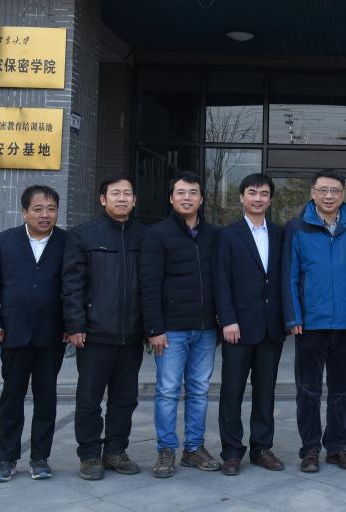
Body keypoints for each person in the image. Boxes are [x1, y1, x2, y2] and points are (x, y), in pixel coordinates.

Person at [0, 185, 67, 482]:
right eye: (38, 209)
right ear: (24, 212)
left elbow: (74, 286)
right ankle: (6, 459)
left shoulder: (67, 242)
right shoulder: (3, 241)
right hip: (13, 333)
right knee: (12, 398)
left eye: (51, 209)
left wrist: (71, 325)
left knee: (46, 398)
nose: (45, 215)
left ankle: (40, 458)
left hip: (52, 334)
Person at [62, 176, 146, 480]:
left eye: (127, 194)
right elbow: (72, 284)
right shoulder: (83, 235)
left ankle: (115, 451)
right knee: (89, 398)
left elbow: (151, 285)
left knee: (125, 399)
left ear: (134, 200)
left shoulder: (144, 236)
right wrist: (75, 324)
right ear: (103, 199)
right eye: (115, 193)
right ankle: (89, 455)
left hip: (132, 334)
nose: (121, 198)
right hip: (95, 334)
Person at [282, 169, 346, 473]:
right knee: (308, 391)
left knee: (342, 390)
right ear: (312, 193)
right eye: (323, 190)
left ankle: (337, 447)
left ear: (343, 194)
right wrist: (293, 316)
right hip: (310, 324)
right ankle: (310, 449)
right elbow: (289, 275)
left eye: (335, 191)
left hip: (345, 324)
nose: (329, 196)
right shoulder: (297, 228)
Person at [141, 171, 221, 478]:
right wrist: (154, 329)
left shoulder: (213, 235)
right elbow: (149, 285)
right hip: (170, 331)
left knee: (199, 389)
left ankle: (194, 448)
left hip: (205, 329)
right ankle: (166, 449)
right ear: (171, 198)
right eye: (181, 192)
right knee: (168, 390)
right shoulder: (157, 234)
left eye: (193, 193)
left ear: (201, 198)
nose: (187, 198)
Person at [214, 173, 286, 476]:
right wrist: (227, 320)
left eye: (264, 194)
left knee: (265, 391)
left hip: (271, 327)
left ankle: (261, 447)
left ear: (270, 199)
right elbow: (221, 280)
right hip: (238, 328)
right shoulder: (227, 235)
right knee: (232, 391)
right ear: (241, 198)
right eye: (252, 193)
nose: (258, 198)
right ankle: (232, 451)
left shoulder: (281, 234)